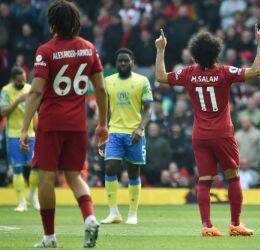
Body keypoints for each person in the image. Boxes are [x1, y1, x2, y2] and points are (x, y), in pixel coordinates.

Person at [155, 24, 260, 236]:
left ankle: (207, 226)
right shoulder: (224, 72)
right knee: (232, 176)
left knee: (205, 180)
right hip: (222, 133)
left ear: (195, 55)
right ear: (217, 52)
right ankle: (235, 224)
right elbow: (257, 71)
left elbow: (161, 76)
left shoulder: (188, 73)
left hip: (200, 134)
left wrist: (161, 49)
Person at [20, 0, 108, 247]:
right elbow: (100, 88)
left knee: (45, 178)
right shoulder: (89, 48)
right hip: (78, 124)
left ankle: (49, 237)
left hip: (50, 123)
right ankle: (90, 217)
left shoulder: (45, 51)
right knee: (74, 175)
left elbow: (36, 92)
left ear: (52, 23)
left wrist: (25, 127)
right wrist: (102, 123)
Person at [101, 48, 153, 225]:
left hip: (134, 134)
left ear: (132, 61)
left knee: (133, 173)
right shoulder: (108, 81)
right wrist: (102, 130)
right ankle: (113, 212)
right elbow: (104, 109)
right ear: (116, 63)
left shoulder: (142, 81)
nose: (123, 63)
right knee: (110, 168)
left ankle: (132, 213)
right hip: (114, 131)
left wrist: (140, 129)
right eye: (120, 61)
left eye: (126, 60)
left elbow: (148, 110)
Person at [0, 66, 39, 212]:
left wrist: (37, 127)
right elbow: (3, 112)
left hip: (31, 134)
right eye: (19, 81)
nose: (22, 82)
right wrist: (17, 101)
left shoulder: (30, 88)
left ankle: (33, 195)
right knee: (17, 169)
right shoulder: (6, 90)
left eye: (23, 79)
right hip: (13, 135)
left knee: (36, 166)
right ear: (13, 80)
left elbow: (35, 112)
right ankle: (22, 202)